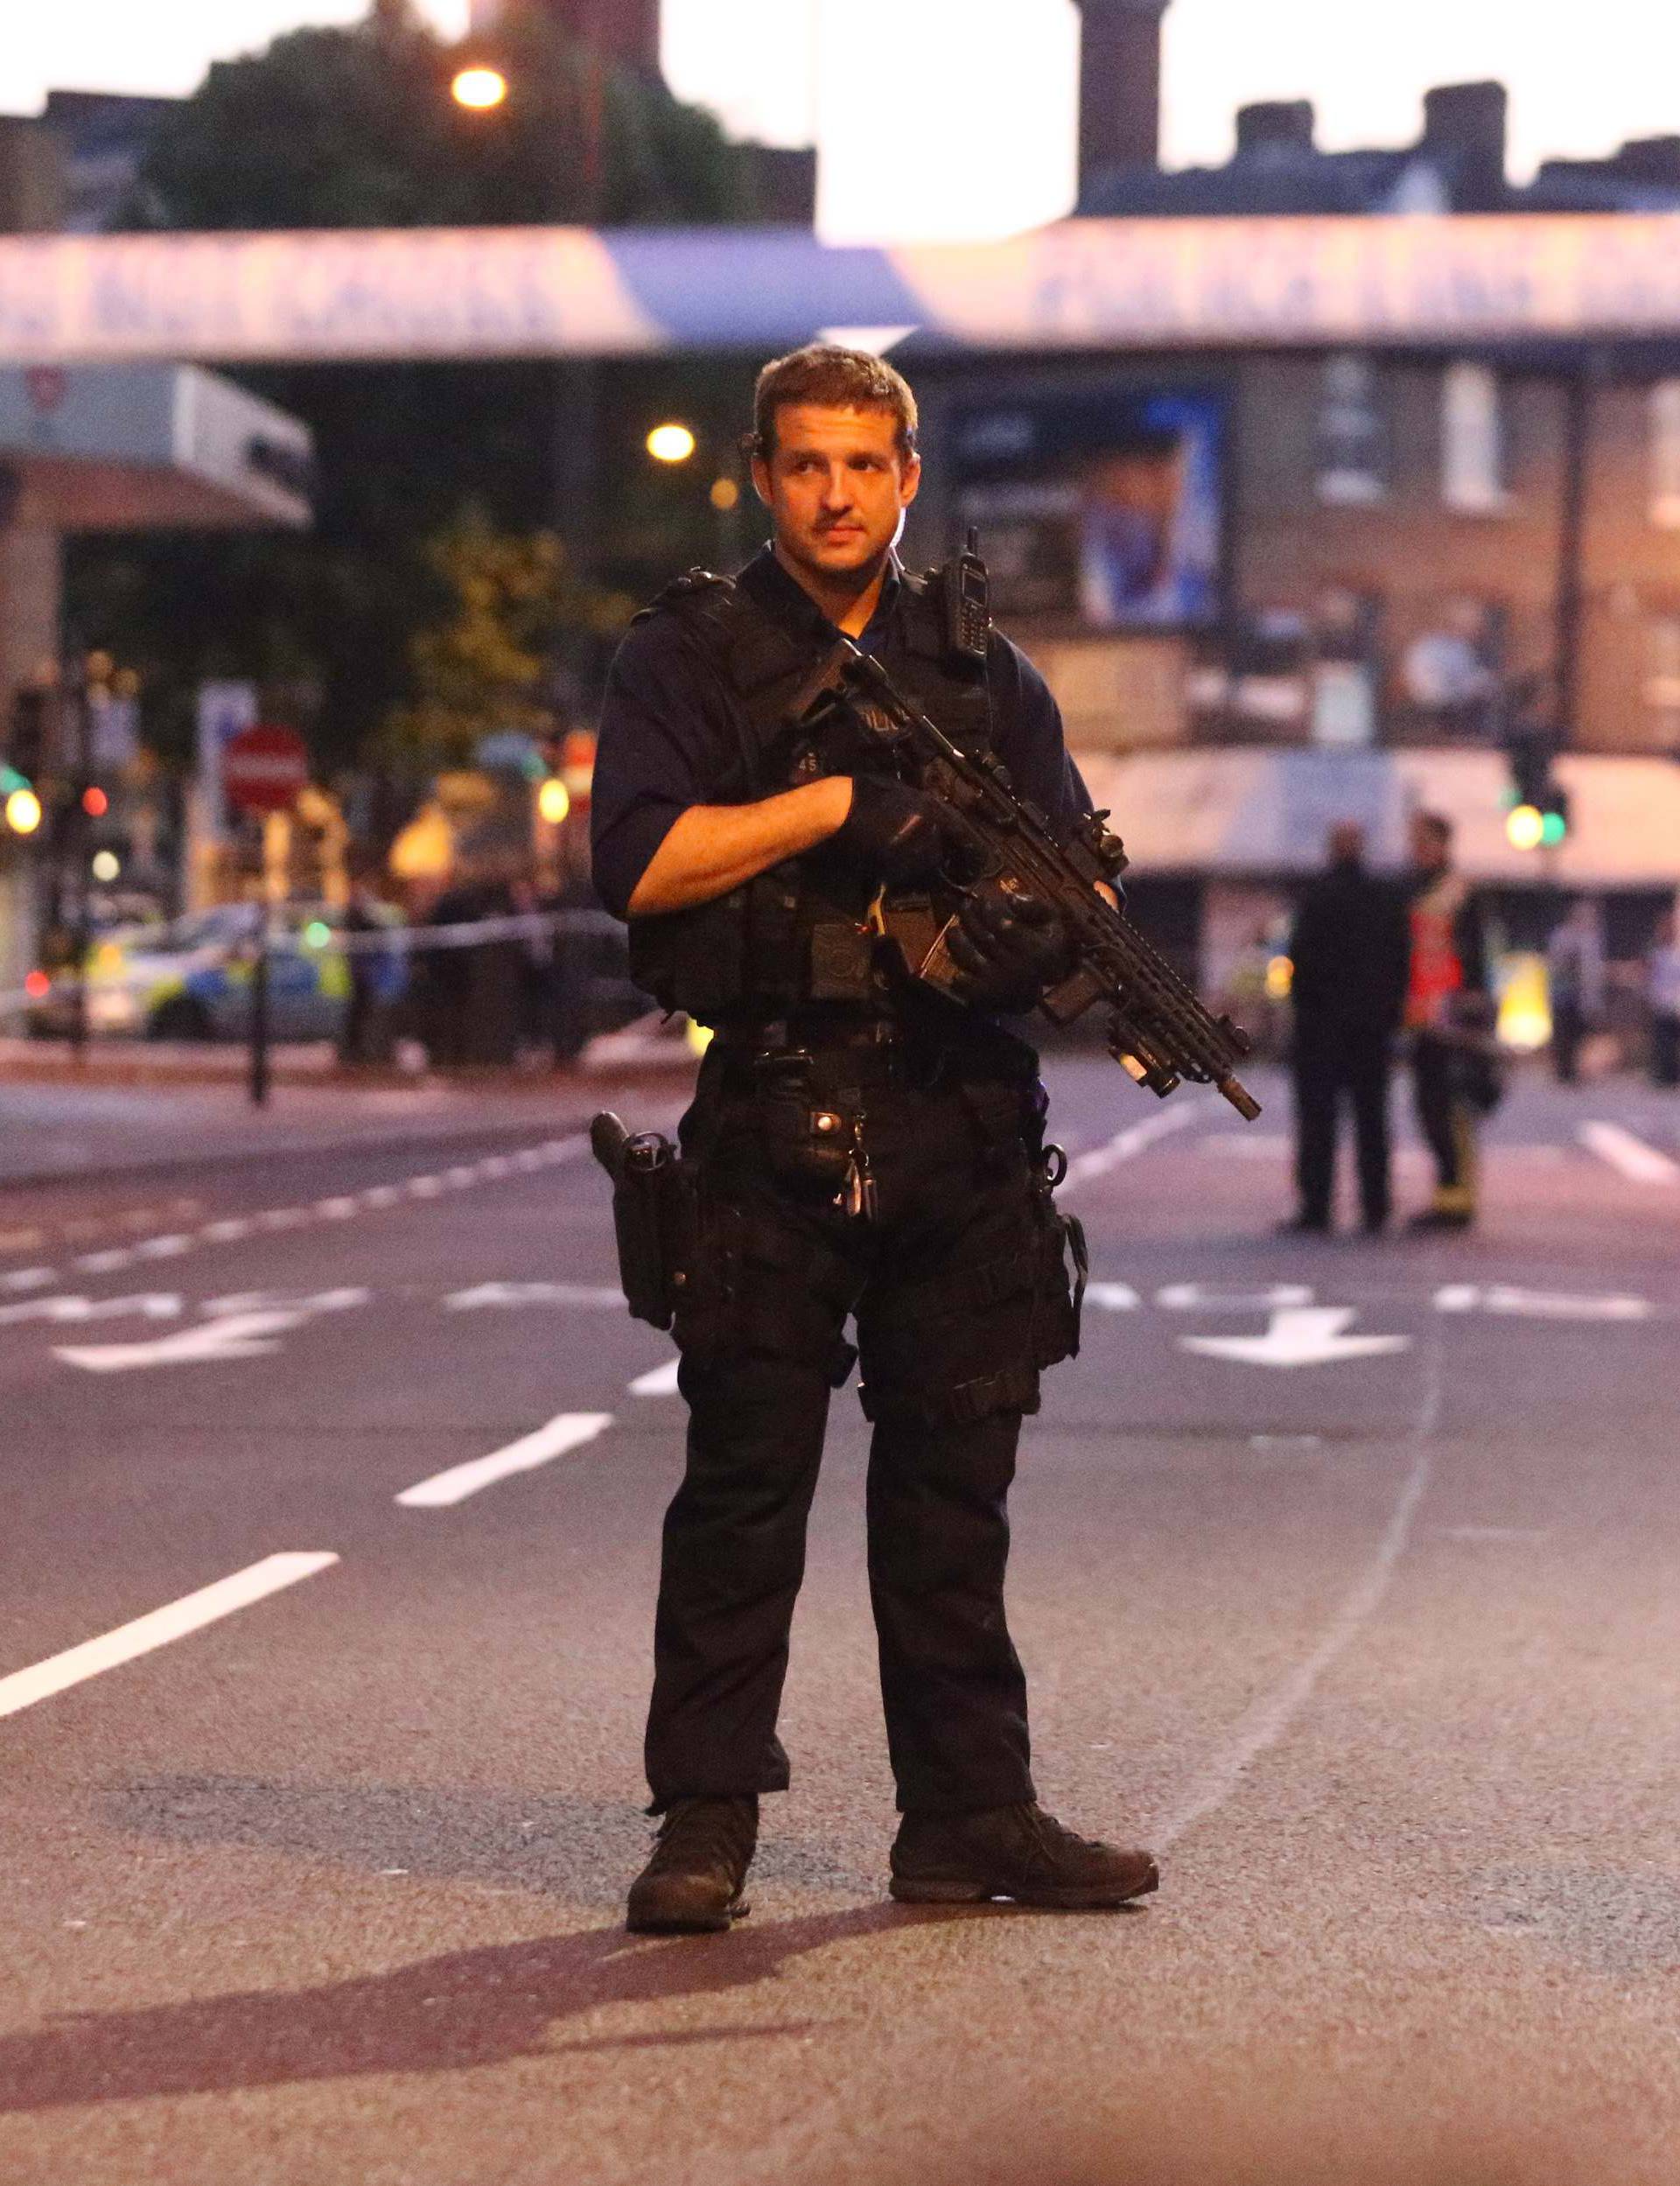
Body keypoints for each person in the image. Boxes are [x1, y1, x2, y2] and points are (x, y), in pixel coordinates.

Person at [591, 345, 1158, 1934]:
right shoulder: (692, 656)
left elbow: (1081, 885)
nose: (835, 494)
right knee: (742, 1488)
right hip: (774, 1114)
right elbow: (637, 862)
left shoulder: (989, 676)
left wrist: (1037, 931)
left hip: (964, 1123)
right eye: (805, 465)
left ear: (910, 476)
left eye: (865, 464)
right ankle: (703, 1822)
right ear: (762, 477)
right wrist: (836, 807)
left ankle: (969, 1817)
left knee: (953, 1499)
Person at [1281, 822, 1410, 1237]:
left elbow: (1299, 962)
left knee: (1318, 1121)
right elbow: (1399, 961)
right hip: (1370, 1030)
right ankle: (1376, 1206)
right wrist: (1390, 1014)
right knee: (1372, 1118)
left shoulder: (1316, 896)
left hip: (1320, 1030)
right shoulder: (1385, 897)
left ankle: (1316, 1206)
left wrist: (1302, 1013)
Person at [1404, 811, 1493, 1231]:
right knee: (1428, 1106)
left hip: (1454, 1016)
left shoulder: (1460, 892)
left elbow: (1475, 956)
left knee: (1454, 1108)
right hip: (1423, 1014)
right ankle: (1446, 1192)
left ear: (1441, 843)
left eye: (1422, 841)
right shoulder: (1414, 889)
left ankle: (1458, 1198)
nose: (1415, 849)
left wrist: (1474, 1010)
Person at [1545, 898, 1605, 1085]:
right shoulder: (1562, 936)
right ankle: (1564, 1072)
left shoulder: (1591, 939)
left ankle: (1576, 1070)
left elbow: (1593, 970)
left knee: (1579, 1035)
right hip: (1564, 995)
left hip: (1582, 997)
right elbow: (1557, 963)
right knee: (1564, 1034)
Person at [1648, 912, 1680, 1088]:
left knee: (1670, 1042)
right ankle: (1663, 1076)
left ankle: (1672, 1076)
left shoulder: (1675, 956)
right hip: (1661, 1003)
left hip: (1674, 1004)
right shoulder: (1656, 954)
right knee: (1663, 1043)